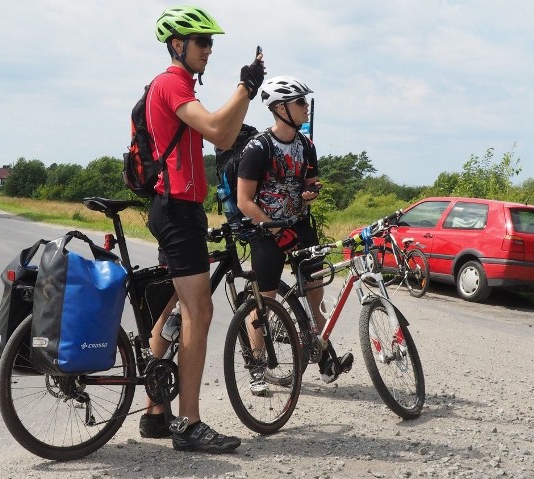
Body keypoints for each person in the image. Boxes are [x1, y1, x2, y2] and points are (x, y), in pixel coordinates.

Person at [138, 5, 265, 454]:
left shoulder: (182, 86)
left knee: (173, 307)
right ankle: (189, 425)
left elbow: (225, 138)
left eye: (211, 42)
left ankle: (156, 414)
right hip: (176, 211)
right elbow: (215, 127)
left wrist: (246, 93)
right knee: (200, 312)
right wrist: (244, 86)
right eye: (202, 42)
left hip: (178, 209)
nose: (209, 50)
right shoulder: (172, 81)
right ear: (179, 45)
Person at [235, 76, 353, 394]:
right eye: (301, 102)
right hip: (264, 229)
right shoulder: (258, 147)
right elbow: (243, 200)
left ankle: (322, 351)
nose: (306, 107)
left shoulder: (306, 145)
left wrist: (310, 192)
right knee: (264, 301)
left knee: (316, 290)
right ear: (281, 108)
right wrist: (275, 230)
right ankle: (257, 367)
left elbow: (308, 183)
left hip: (299, 226)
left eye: (305, 101)